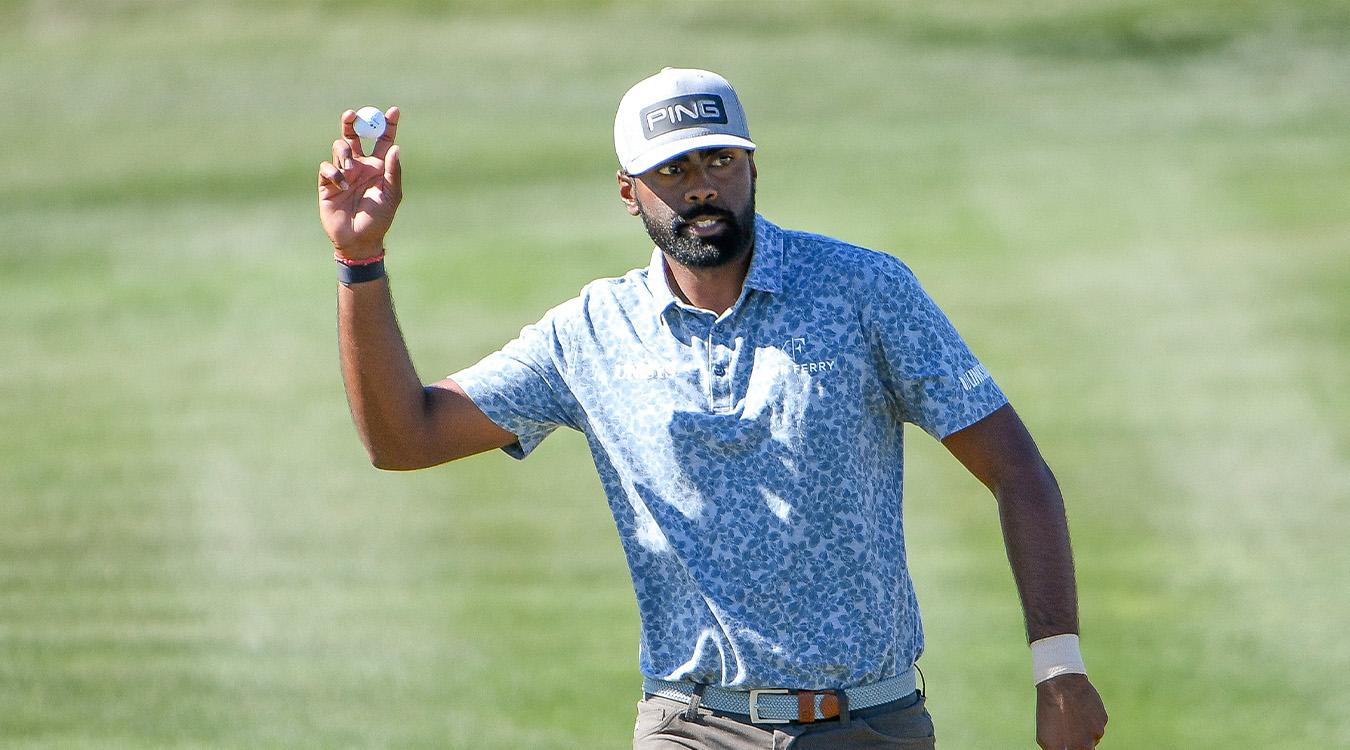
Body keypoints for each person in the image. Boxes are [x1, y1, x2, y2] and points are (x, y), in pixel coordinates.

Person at [316, 68, 1108, 749]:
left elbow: (1017, 470)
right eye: (672, 170)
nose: (701, 185)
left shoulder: (865, 291)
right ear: (629, 193)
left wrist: (1059, 667)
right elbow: (405, 438)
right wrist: (360, 259)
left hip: (869, 725)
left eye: (720, 160)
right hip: (690, 725)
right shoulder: (589, 334)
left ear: (753, 167)